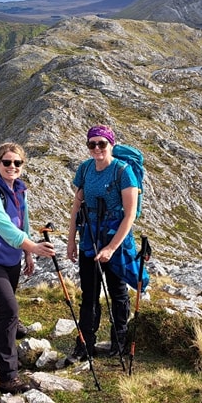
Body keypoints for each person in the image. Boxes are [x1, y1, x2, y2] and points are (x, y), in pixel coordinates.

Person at [0, 141, 55, 394]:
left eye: (17, 163)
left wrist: (27, 255)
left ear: (22, 166)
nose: (12, 167)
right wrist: (34, 247)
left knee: (1, 309)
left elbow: (23, 222)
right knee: (10, 310)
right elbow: (6, 228)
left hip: (11, 261)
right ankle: (8, 376)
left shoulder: (20, 190)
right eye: (7, 162)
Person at [65, 125, 139, 360]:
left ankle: (120, 340)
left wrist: (111, 248)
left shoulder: (123, 171)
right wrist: (71, 241)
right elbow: (77, 205)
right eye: (92, 144)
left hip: (115, 237)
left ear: (111, 145)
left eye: (102, 144)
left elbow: (130, 215)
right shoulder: (85, 169)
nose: (97, 148)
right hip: (90, 237)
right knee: (89, 292)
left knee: (117, 291)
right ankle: (85, 343)